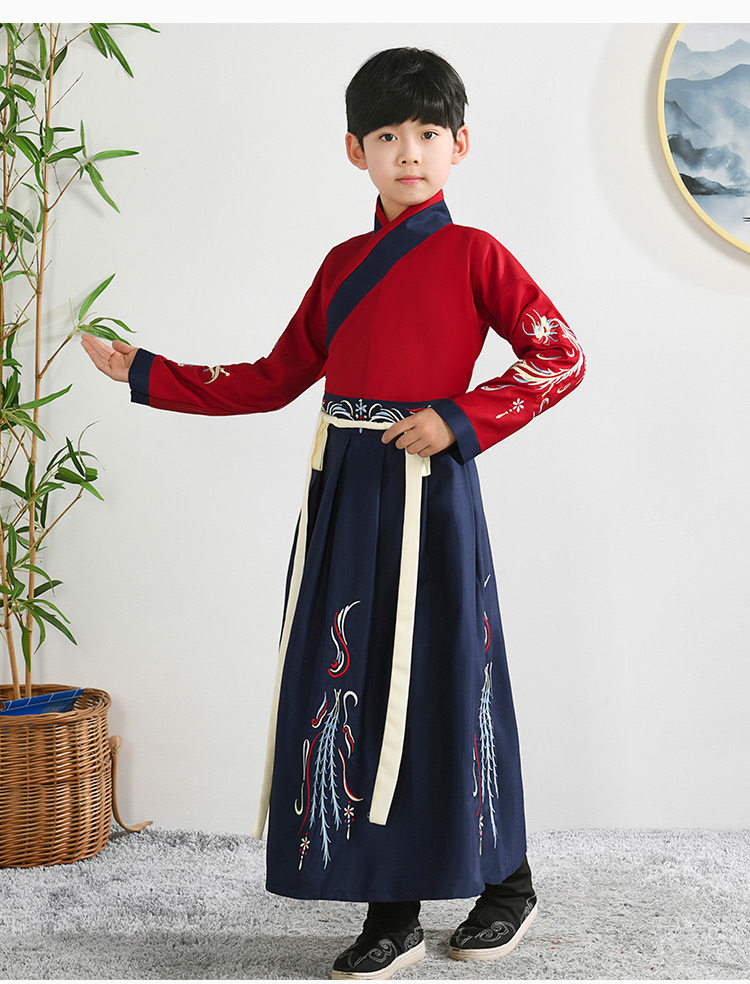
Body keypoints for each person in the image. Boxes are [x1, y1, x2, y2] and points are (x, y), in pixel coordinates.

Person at [81, 45, 586, 981]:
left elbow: (560, 356)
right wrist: (149, 373)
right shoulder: (342, 265)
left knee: (445, 676)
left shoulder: (477, 255)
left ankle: (506, 883)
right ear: (356, 150)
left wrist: (459, 419)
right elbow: (275, 377)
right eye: (387, 135)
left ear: (461, 144)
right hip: (348, 493)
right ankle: (391, 909)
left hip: (433, 492)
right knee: (352, 687)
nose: (409, 152)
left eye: (428, 133)